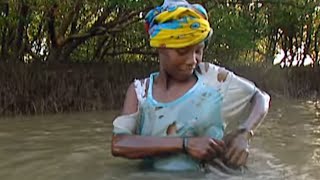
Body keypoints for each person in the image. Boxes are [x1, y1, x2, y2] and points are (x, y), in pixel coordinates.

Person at [111, 0, 270, 172]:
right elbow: (120, 144)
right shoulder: (140, 92)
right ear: (160, 48)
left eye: (198, 51)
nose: (192, 60)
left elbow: (260, 97)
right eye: (182, 51)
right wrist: (185, 144)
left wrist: (244, 133)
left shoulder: (213, 79)